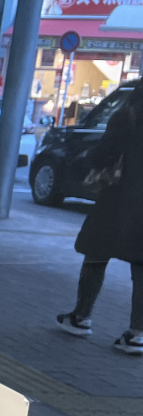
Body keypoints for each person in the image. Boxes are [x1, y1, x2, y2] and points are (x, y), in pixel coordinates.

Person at [56, 82, 143, 353]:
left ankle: (81, 317)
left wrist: (93, 164)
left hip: (118, 197)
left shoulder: (128, 115)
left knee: (95, 251)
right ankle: (137, 333)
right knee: (141, 262)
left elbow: (105, 152)